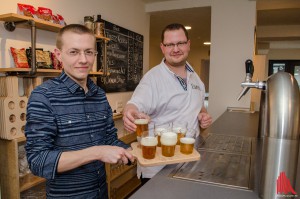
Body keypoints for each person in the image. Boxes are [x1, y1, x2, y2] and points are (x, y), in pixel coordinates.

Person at [25, 24, 134, 199]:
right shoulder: (43, 96)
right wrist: (97, 152)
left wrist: (132, 151)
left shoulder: (99, 94)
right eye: (74, 52)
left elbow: (109, 140)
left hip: (101, 193)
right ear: (58, 55)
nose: (83, 60)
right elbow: (38, 161)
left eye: (89, 52)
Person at [123, 23, 212, 184]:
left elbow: (199, 107)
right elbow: (135, 104)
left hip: (189, 160)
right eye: (170, 44)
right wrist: (130, 111)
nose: (175, 49)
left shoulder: (195, 77)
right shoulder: (152, 79)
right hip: (158, 168)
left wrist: (203, 115)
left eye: (180, 43)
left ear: (188, 44)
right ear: (162, 48)